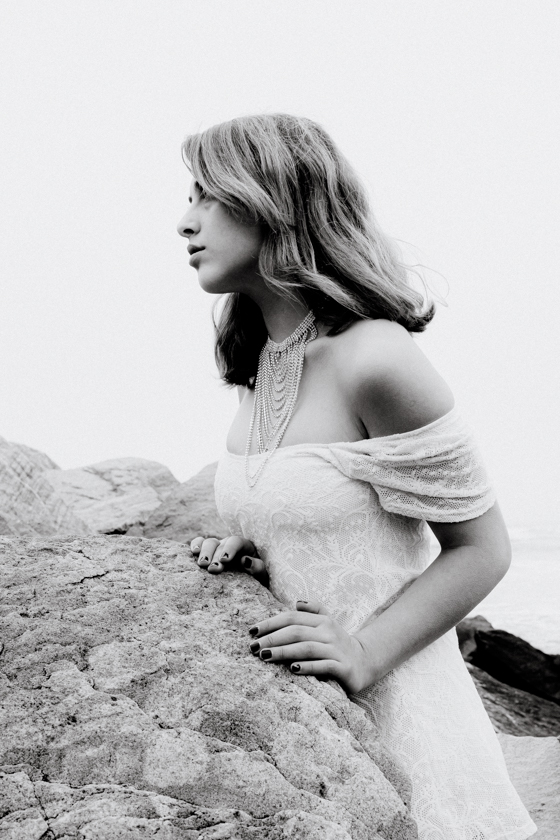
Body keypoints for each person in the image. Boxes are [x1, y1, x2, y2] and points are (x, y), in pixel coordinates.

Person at [177, 113, 536, 839]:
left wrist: (365, 652)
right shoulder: (258, 366)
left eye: (208, 196)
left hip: (410, 732)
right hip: (309, 738)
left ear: (277, 199)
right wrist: (248, 552)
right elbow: (318, 521)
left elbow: (482, 548)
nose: (186, 222)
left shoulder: (376, 357)